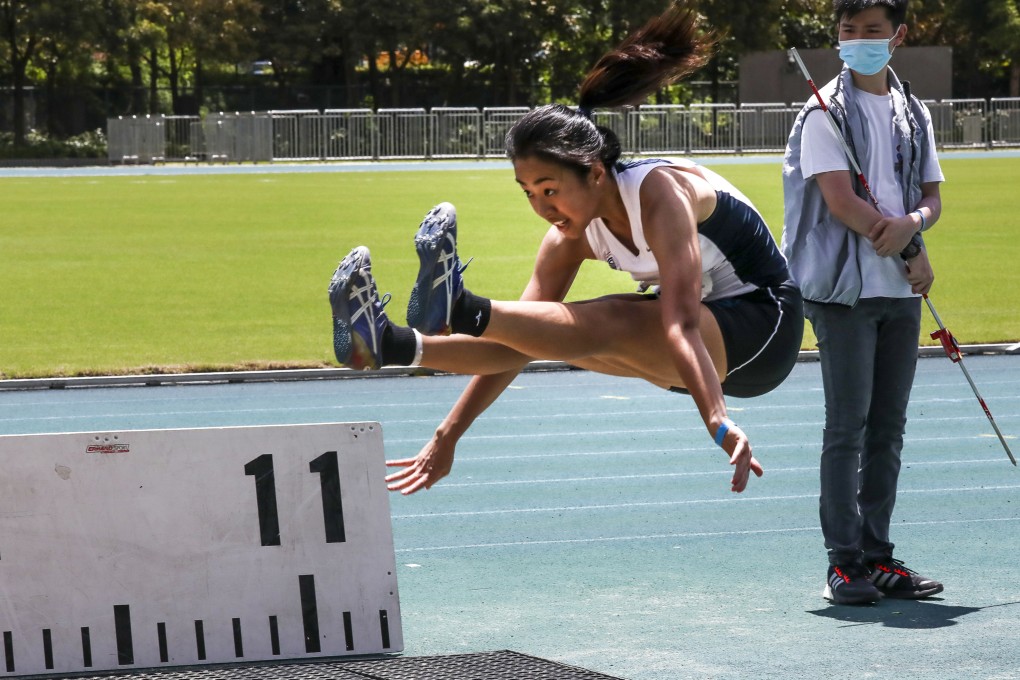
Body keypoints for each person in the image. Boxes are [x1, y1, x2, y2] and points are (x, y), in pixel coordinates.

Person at [330, 2, 803, 497]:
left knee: (611, 317)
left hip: (766, 327)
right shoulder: (567, 238)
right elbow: (517, 346)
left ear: (595, 172)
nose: (541, 206)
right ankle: (389, 344)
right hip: (705, 351)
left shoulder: (661, 194)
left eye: (550, 189)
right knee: (540, 329)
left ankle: (460, 304)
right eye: (528, 192)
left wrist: (718, 422)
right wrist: (447, 436)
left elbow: (680, 322)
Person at [782, 0, 944, 605]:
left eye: (871, 31)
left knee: (888, 430)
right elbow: (841, 202)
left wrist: (914, 227)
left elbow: (930, 196)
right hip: (844, 292)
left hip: (899, 293)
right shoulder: (823, 110)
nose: (857, 41)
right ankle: (843, 563)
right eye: (848, 31)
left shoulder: (913, 111)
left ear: (897, 37)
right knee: (847, 428)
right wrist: (903, 237)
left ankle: (879, 556)